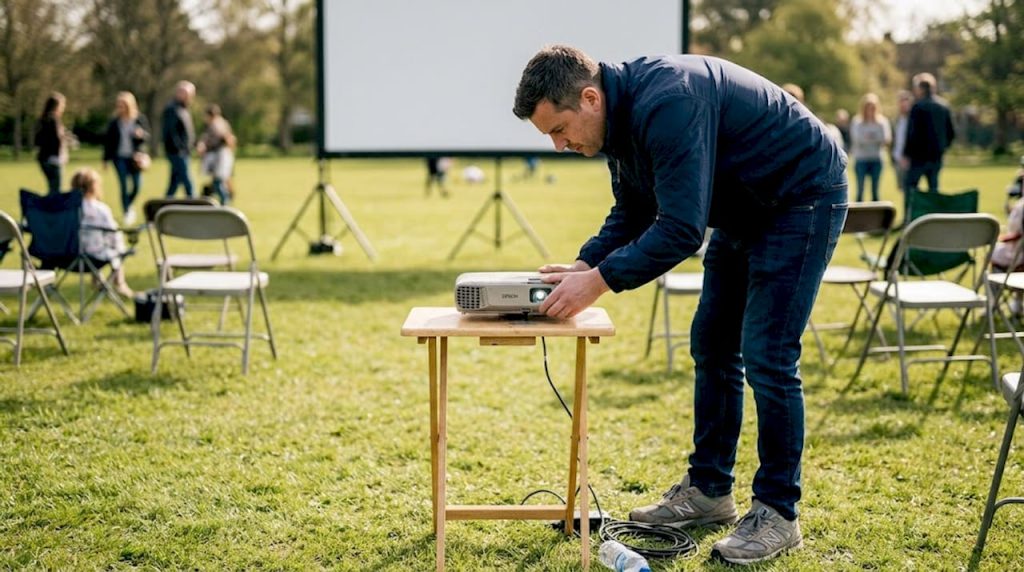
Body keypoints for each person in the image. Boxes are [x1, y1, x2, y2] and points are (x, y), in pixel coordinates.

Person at [513, 45, 848, 565]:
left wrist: (600, 282)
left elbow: (681, 229)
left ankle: (779, 514)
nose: (559, 145)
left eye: (559, 130)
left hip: (799, 197)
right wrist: (585, 265)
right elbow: (633, 209)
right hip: (744, 206)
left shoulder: (667, 101)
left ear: (588, 97)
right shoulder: (618, 122)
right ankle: (710, 491)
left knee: (768, 354)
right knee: (713, 343)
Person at [70, 168, 133, 298]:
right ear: (95, 187)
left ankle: (97, 279)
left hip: (63, 256)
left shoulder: (64, 209)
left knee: (90, 242)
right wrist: (120, 248)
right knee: (116, 248)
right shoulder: (100, 209)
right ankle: (120, 283)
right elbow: (113, 234)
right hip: (93, 257)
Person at [901, 72, 955, 193]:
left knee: (911, 188)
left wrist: (906, 154)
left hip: (917, 157)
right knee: (933, 188)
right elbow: (951, 133)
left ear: (920, 89)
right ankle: (934, 211)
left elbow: (911, 133)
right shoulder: (943, 106)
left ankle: (911, 212)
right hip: (936, 156)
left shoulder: (917, 107)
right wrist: (943, 147)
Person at [102, 91, 151, 224]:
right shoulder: (115, 122)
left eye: (123, 105)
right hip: (119, 158)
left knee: (137, 186)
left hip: (135, 158)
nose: (120, 108)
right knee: (123, 185)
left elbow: (147, 137)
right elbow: (108, 142)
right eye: (118, 105)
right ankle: (127, 211)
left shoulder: (139, 119)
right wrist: (105, 160)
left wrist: (141, 135)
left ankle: (128, 204)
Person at [850, 93, 891, 202]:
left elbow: (886, 139)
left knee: (875, 190)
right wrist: (874, 138)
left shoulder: (882, 122)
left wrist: (868, 138)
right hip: (861, 158)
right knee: (860, 190)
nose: (870, 110)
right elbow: (857, 139)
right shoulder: (857, 122)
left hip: (876, 158)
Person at [162, 81, 196, 198]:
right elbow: (170, 132)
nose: (187, 96)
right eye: (184, 93)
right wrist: (179, 149)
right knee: (188, 181)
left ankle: (164, 205)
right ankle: (196, 206)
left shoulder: (184, 109)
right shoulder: (172, 109)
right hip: (177, 152)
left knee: (174, 183)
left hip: (184, 152)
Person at [197, 104, 236, 205]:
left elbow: (227, 139)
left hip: (220, 156)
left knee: (218, 182)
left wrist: (204, 145)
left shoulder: (216, 124)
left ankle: (225, 203)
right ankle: (222, 200)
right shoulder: (220, 123)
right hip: (221, 156)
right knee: (218, 181)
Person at [34, 92, 69, 194]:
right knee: (56, 191)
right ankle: (49, 209)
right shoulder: (53, 120)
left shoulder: (43, 120)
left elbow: (38, 140)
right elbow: (56, 140)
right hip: (53, 160)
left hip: (44, 159)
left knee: (52, 188)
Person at [890, 90, 913, 196]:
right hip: (897, 157)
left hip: (909, 158)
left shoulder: (913, 120)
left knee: (909, 187)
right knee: (901, 187)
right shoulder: (896, 120)